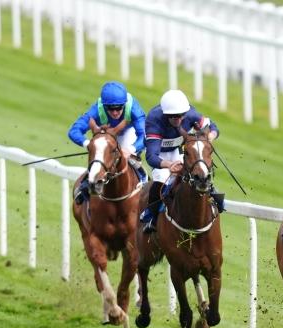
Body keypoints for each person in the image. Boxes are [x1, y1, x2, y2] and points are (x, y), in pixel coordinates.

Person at [141, 89, 224, 234]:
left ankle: (214, 198)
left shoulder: (191, 114)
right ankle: (151, 216)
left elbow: (213, 126)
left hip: (178, 150)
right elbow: (151, 157)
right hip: (160, 153)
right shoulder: (154, 120)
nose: (178, 119)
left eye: (181, 115)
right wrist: (169, 165)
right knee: (161, 180)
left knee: (198, 173)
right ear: (165, 115)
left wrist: (210, 136)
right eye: (173, 116)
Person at [67, 81, 147, 204]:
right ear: (104, 106)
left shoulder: (134, 108)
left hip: (128, 132)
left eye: (119, 108)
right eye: (110, 108)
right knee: (100, 157)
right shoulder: (96, 109)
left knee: (129, 157)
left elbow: (145, 135)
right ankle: (85, 184)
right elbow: (74, 130)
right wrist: (88, 144)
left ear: (124, 104)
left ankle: (143, 181)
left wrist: (131, 149)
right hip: (106, 134)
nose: (115, 112)